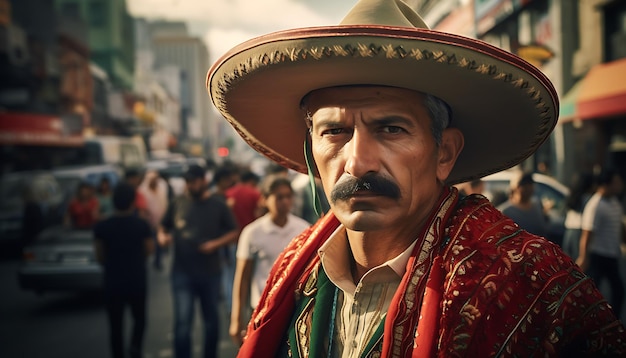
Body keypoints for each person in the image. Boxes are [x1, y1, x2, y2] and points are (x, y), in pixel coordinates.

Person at [206, 0, 626, 356]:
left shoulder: (530, 280)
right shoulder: (292, 269)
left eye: (391, 129)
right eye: (334, 131)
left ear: (444, 153)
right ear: (311, 151)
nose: (358, 163)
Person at [158, 164, 239, 358]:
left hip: (210, 272)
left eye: (194, 181)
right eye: (187, 182)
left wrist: (215, 244)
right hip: (182, 273)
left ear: (204, 181)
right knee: (182, 323)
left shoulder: (218, 204)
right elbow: (163, 226)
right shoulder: (177, 202)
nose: (190, 185)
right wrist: (162, 236)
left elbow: (234, 232)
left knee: (211, 321)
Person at [229, 175, 311, 346]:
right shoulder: (252, 233)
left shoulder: (303, 229)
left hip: (293, 309)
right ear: (264, 200)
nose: (285, 201)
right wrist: (236, 320)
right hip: (261, 309)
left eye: (288, 196)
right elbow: (242, 279)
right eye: (279, 197)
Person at [93, 182, 153, 358]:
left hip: (112, 280)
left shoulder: (102, 226)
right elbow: (149, 250)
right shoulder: (141, 225)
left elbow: (99, 256)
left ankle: (117, 354)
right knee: (139, 319)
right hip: (136, 279)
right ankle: (135, 348)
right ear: (133, 202)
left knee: (115, 324)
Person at [576, 168, 626, 318]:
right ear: (607, 184)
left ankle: (612, 321)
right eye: (616, 182)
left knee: (619, 290)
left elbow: (619, 226)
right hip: (598, 255)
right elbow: (587, 233)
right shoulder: (595, 205)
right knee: (592, 292)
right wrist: (583, 257)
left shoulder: (614, 202)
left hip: (612, 254)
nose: (620, 185)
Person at [497, 171, 550, 238]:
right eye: (524, 185)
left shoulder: (537, 205)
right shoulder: (506, 212)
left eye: (530, 184)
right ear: (515, 187)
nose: (528, 188)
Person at [140, 170, 169, 270]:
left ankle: (158, 261)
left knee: (159, 242)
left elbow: (164, 203)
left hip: (160, 221)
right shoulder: (143, 190)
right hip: (148, 222)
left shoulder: (161, 188)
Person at [562, 171, 595, 259]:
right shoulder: (588, 198)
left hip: (568, 230)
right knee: (578, 261)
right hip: (579, 230)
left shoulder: (572, 196)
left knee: (568, 260)